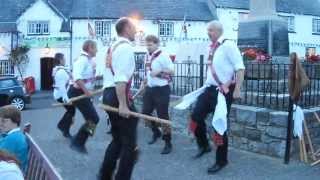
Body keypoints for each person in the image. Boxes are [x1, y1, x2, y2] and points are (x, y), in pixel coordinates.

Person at [189, 20, 245, 174]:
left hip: (223, 92)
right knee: (195, 117)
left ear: (219, 31)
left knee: (218, 125)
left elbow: (240, 68)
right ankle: (204, 145)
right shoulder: (211, 47)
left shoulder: (228, 45)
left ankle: (221, 160)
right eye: (208, 30)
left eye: (211, 30)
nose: (208, 33)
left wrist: (237, 89)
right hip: (209, 90)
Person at [99, 17, 138, 180]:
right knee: (129, 144)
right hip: (117, 95)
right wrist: (123, 104)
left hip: (109, 94)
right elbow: (120, 78)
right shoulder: (126, 48)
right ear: (127, 28)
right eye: (134, 27)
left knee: (118, 139)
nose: (136, 31)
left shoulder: (112, 47)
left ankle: (104, 175)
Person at [141, 35, 174, 154]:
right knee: (145, 113)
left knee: (163, 116)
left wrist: (160, 70)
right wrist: (144, 81)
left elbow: (172, 70)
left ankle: (168, 142)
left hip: (162, 89)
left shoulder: (163, 55)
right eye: (147, 44)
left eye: (150, 45)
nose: (148, 47)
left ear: (156, 44)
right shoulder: (147, 56)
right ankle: (156, 132)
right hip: (150, 89)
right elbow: (148, 72)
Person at [68, 40, 100, 154]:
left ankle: (78, 141)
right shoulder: (82, 60)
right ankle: (78, 142)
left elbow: (87, 77)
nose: (97, 50)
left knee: (92, 119)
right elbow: (77, 78)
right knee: (94, 118)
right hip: (77, 92)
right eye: (95, 48)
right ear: (90, 48)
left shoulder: (88, 60)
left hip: (81, 92)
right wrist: (87, 92)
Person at [52, 53, 75, 138]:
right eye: (64, 59)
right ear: (60, 60)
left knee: (71, 111)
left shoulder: (58, 69)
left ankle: (63, 127)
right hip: (61, 95)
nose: (65, 60)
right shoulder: (61, 72)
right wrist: (66, 99)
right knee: (71, 110)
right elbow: (62, 87)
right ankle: (64, 129)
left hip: (60, 94)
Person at [0, 105, 28, 171]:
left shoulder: (12, 139)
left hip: (9, 172)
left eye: (4, 121)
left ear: (15, 121)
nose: (0, 124)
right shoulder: (15, 135)